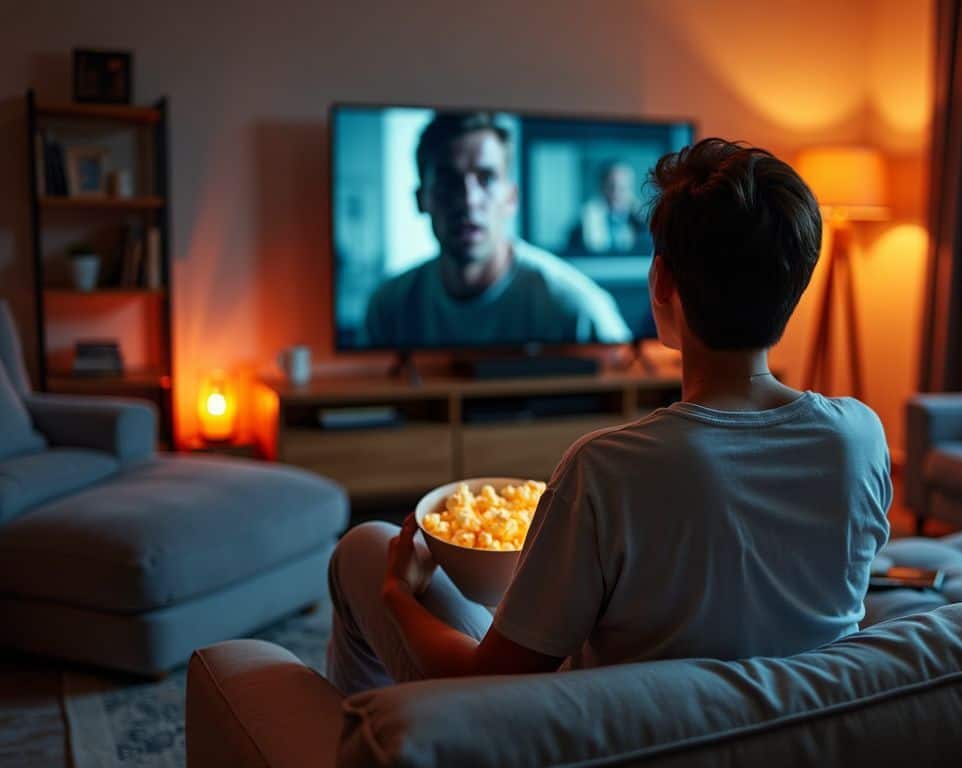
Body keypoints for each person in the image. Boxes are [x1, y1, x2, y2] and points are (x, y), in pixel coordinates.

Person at [326, 138, 892, 693]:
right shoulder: (860, 438)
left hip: (606, 735)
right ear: (795, 286)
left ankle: (374, 737)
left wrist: (398, 594)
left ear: (662, 283)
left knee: (364, 547)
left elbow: (487, 683)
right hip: (803, 732)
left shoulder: (606, 467)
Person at [363, 112, 632, 347]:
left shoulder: (576, 309)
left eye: (486, 178)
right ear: (421, 199)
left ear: (511, 198)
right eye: (449, 181)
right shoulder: (388, 307)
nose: (468, 200)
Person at [566, 161, 654, 254]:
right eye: (611, 186)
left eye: (623, 188)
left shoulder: (642, 223)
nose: (616, 193)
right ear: (601, 187)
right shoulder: (582, 224)